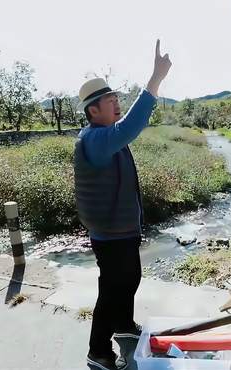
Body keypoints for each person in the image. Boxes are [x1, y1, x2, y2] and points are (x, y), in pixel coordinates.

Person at [74, 40, 172, 370]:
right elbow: (132, 126)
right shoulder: (95, 139)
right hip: (111, 236)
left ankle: (124, 328)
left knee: (128, 281)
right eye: (110, 100)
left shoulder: (105, 135)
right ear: (93, 111)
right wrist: (155, 79)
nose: (116, 103)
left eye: (117, 98)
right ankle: (98, 352)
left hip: (121, 231)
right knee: (112, 291)